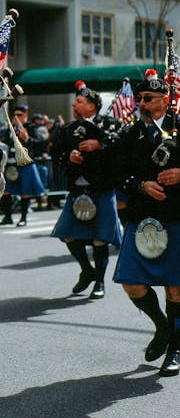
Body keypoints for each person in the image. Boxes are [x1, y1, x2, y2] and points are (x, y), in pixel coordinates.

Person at [112, 70, 180, 376]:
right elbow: (117, 173)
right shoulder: (130, 134)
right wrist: (140, 186)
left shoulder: (178, 127)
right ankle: (162, 327)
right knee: (131, 283)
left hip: (175, 215)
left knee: (176, 288)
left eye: (148, 98)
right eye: (139, 98)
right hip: (142, 219)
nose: (141, 103)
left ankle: (175, 348)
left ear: (165, 100)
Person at [51, 82, 122, 299]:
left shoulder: (109, 125)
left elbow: (121, 148)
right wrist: (69, 157)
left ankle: (99, 281)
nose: (74, 104)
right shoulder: (68, 130)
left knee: (101, 239)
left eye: (80, 101)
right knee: (67, 235)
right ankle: (87, 271)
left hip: (101, 190)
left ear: (92, 106)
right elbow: (57, 155)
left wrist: (99, 145)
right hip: (77, 191)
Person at [0, 104, 45, 226]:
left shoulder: (31, 127)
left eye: (20, 115)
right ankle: (7, 217)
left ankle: (23, 218)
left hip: (25, 163)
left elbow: (41, 144)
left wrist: (28, 139)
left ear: (25, 115)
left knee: (25, 192)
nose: (16, 117)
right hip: (11, 164)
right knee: (5, 191)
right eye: (15, 115)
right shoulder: (10, 129)